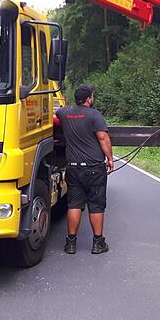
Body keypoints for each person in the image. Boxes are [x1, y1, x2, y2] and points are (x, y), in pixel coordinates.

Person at [57, 84, 114, 254]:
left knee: (74, 204)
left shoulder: (65, 113)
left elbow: (54, 112)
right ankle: (98, 243)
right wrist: (110, 158)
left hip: (73, 167)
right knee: (96, 205)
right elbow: (103, 137)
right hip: (94, 167)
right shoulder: (95, 115)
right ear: (89, 99)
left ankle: (71, 243)